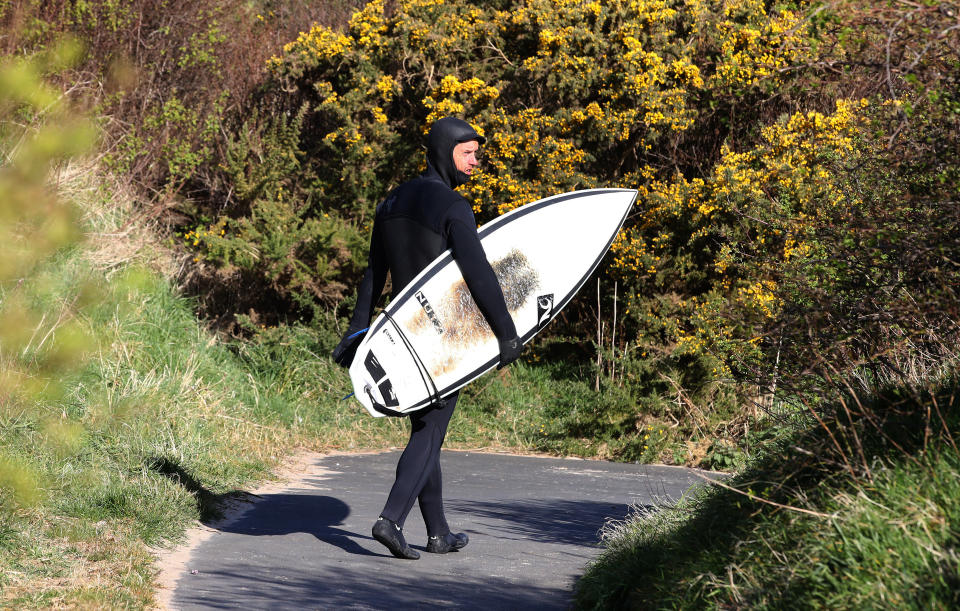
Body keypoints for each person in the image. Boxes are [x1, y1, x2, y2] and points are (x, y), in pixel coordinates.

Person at [331, 117, 523, 560]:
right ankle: (390, 519)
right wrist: (506, 334)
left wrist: (359, 330)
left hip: (401, 334)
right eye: (468, 153)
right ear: (444, 150)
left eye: (477, 153)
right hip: (441, 338)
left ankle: (438, 533)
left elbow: (374, 274)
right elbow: (478, 275)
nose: (477, 161)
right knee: (431, 430)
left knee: (426, 428)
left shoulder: (392, 201)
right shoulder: (453, 206)